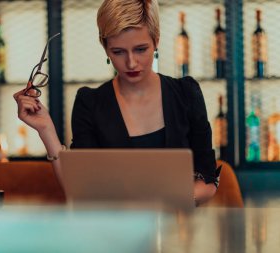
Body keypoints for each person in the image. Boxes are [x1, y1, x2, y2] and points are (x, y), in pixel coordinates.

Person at [13, 0, 219, 206]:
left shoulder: (186, 93)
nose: (131, 62)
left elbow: (208, 180)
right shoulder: (90, 103)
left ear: (156, 41)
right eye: (118, 52)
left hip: (180, 229)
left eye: (140, 49)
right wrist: (46, 130)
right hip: (114, 233)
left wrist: (170, 202)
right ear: (105, 48)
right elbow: (80, 189)